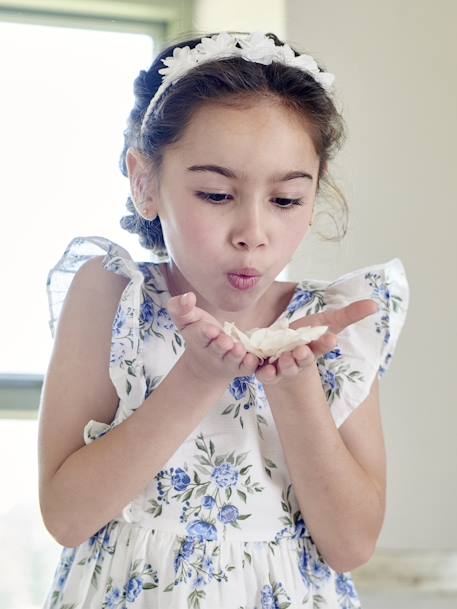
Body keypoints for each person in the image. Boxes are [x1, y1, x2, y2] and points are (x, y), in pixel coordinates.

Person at [38, 31, 409, 609]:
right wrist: (198, 377)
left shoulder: (332, 325)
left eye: (285, 200)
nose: (253, 234)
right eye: (215, 194)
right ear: (144, 182)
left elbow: (352, 545)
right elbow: (65, 517)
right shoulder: (112, 295)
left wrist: (296, 389)